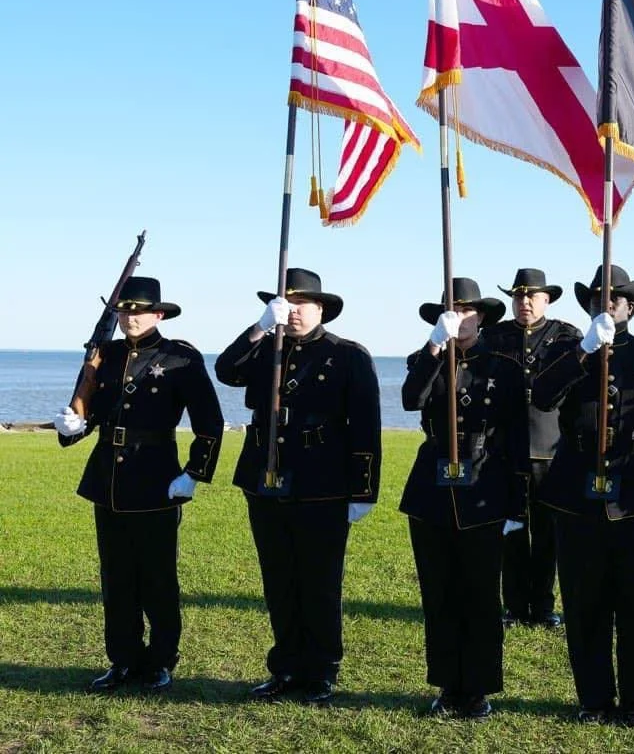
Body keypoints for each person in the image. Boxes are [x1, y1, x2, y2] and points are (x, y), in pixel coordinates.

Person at [532, 264, 634, 728]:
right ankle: (592, 698)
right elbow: (541, 397)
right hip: (576, 497)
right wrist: (585, 351)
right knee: (584, 605)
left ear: (630, 307)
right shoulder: (567, 352)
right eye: (598, 298)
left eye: (615, 299)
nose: (605, 304)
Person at [214, 267, 381, 706]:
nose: (294, 313)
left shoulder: (347, 355)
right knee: (279, 580)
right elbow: (225, 371)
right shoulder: (266, 346)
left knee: (320, 582)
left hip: (322, 481)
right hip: (265, 479)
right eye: (286, 305)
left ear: (321, 308)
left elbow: (366, 426)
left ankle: (322, 669)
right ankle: (285, 666)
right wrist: (259, 328)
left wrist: (364, 490)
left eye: (302, 304)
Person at [52, 276, 223, 693]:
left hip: (156, 478)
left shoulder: (179, 357)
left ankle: (161, 661)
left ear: (159, 314)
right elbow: (89, 410)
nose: (131, 318)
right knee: (117, 578)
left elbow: (210, 422)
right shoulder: (104, 356)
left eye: (140, 311)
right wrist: (72, 425)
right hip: (108, 479)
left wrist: (194, 473)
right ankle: (123, 660)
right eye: (125, 311)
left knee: (157, 578)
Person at [399, 277, 531, 719]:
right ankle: (446, 684)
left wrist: (516, 504)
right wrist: (435, 347)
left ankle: (477, 689)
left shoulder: (505, 366)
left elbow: (515, 438)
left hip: (484, 487)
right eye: (451, 310)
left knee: (479, 595)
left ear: (483, 317)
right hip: (432, 491)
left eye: (468, 310)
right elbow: (410, 399)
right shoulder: (425, 358)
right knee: (439, 594)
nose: (460, 317)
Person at [484, 268, 582, 629]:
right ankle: (513, 605)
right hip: (507, 449)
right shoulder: (494, 336)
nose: (524, 303)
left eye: (532, 297)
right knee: (510, 532)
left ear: (547, 300)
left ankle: (542, 606)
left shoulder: (566, 337)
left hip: (549, 448)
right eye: (518, 296)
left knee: (547, 535)